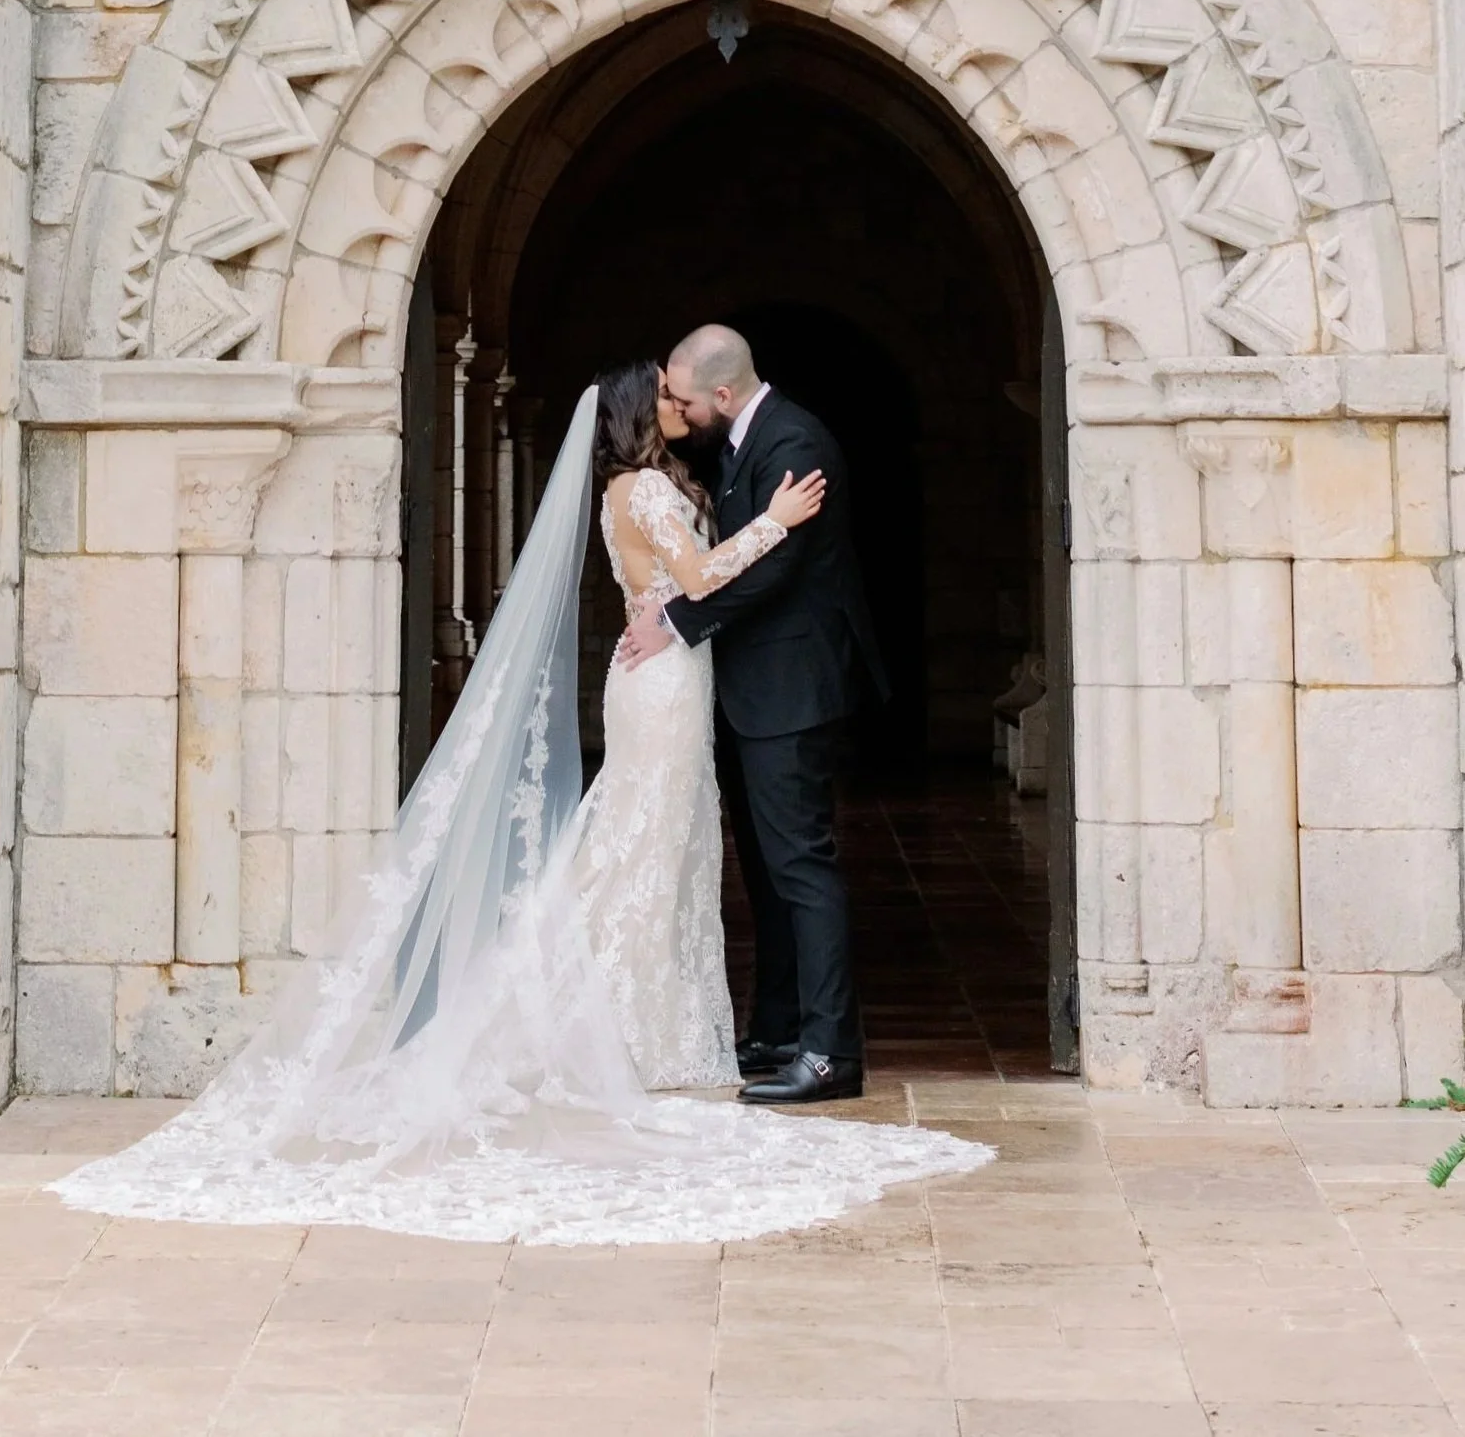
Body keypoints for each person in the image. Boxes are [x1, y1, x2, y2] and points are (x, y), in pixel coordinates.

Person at [52, 371, 985, 1245]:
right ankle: (603, 1027)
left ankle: (648, 1026)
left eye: (678, 386)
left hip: (671, 679)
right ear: (633, 411)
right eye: (660, 393)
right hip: (662, 690)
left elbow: (677, 585)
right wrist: (775, 521)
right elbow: (699, 583)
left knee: (662, 851)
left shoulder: (643, 488)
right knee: (638, 849)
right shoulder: (644, 493)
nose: (674, 402)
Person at [620, 325, 886, 1104]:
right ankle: (777, 1029)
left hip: (791, 686)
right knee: (769, 871)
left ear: (723, 395)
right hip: (752, 686)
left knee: (801, 865)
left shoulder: (793, 441)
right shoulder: (741, 442)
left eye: (682, 396)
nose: (675, 406)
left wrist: (675, 623)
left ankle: (830, 1052)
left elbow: (775, 569)